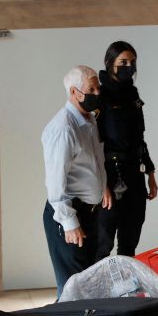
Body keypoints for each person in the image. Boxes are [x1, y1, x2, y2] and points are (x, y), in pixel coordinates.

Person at [42, 65, 112, 298]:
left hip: (89, 211)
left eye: (97, 88)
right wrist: (69, 223)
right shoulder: (64, 128)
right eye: (91, 89)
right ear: (74, 92)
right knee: (72, 287)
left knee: (86, 282)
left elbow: (92, 162)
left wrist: (103, 187)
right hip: (68, 215)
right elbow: (55, 182)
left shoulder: (89, 120)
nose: (97, 93)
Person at [95, 41, 157, 260]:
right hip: (111, 175)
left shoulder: (133, 94)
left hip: (134, 173)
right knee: (103, 242)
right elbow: (95, 145)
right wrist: (102, 185)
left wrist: (150, 173)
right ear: (109, 63)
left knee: (130, 238)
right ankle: (97, 292)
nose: (128, 66)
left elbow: (140, 137)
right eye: (123, 62)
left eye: (132, 62)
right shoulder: (100, 97)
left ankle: (124, 290)